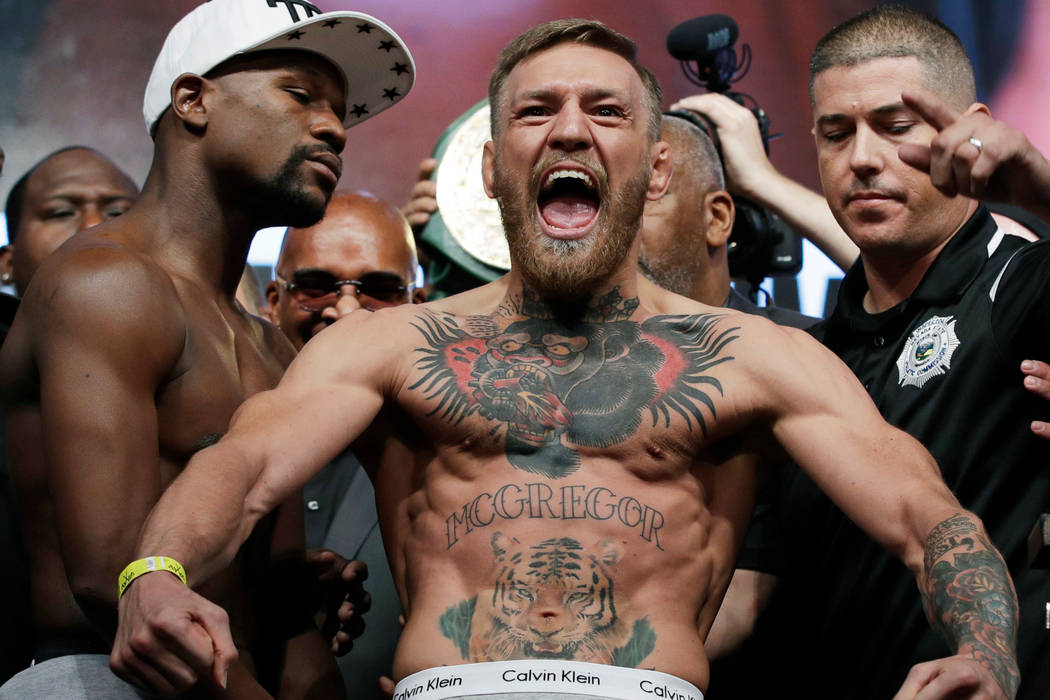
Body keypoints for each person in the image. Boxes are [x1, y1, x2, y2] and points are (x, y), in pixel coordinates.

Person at [112, 18, 1018, 700]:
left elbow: (925, 516)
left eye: (607, 111)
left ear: (657, 169)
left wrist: (985, 650)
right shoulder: (390, 347)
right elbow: (243, 464)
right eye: (537, 112)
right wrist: (153, 577)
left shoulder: (753, 357)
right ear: (490, 168)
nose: (571, 131)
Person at [0, 0, 413, 697]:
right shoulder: (105, 284)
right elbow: (116, 582)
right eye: (301, 94)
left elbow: (289, 625)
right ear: (193, 100)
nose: (334, 129)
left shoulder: (265, 342)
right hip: (102, 677)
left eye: (341, 110)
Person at [707, 6, 1050, 698]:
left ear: (970, 126)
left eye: (896, 129)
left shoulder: (1019, 285)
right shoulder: (809, 356)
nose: (862, 158)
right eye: (837, 133)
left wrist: (1041, 189)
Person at [265, 190, 424, 699]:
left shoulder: (456, 459)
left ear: (418, 305)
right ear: (275, 303)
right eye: (316, 286)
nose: (349, 309)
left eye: (380, 289)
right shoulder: (216, 449)